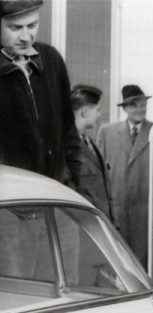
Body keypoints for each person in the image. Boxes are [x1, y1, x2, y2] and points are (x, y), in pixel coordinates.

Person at [0, 0, 80, 184]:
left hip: (54, 191)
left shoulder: (51, 59)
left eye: (32, 25)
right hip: (10, 195)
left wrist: (72, 179)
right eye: (16, 28)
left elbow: (68, 128)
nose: (26, 37)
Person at [97, 84, 153, 268]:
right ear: (125, 108)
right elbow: (100, 174)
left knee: (143, 265)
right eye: (134, 105)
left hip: (145, 214)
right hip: (117, 213)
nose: (140, 109)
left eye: (143, 104)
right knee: (118, 264)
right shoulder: (107, 133)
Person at [71, 84, 112, 219]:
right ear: (84, 112)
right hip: (85, 226)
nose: (99, 114)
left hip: (101, 223)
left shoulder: (89, 142)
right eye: (97, 110)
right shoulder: (67, 146)